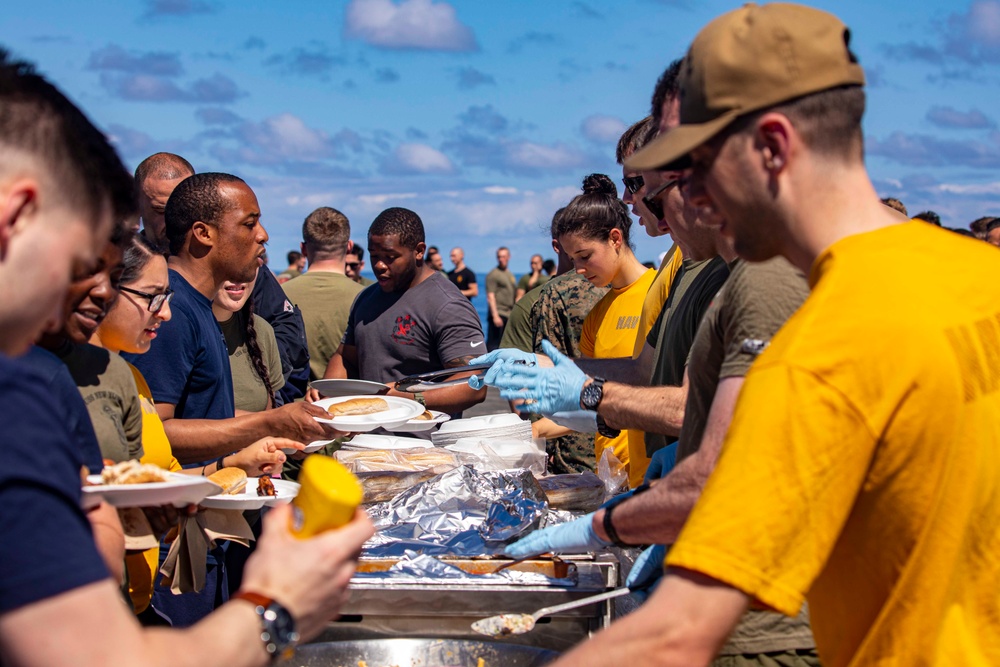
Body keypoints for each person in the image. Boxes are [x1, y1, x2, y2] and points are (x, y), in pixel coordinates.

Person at [558, 5, 1000, 665]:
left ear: (771, 145)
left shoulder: (820, 345)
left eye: (696, 169)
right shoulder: (980, 273)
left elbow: (678, 633)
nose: (688, 200)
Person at [0, 47, 372, 667]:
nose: (89, 289)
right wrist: (278, 604)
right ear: (17, 216)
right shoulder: (17, 397)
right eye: (84, 258)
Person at [93, 234, 298, 617]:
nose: (166, 313)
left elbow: (169, 476)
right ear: (102, 291)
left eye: (167, 297)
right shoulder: (63, 385)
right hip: (105, 609)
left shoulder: (130, 378)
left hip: (145, 594)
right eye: (153, 297)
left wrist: (234, 464)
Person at [123, 173, 339, 465]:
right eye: (249, 224)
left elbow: (206, 415)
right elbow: (154, 432)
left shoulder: (200, 305)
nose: (263, 235)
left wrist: (283, 421)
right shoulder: (172, 311)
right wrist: (269, 423)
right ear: (203, 233)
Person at [324, 207, 486, 415]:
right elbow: (345, 357)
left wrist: (407, 398)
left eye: (391, 256)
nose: (380, 265)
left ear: (419, 251)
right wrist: (327, 395)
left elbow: (474, 385)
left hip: (425, 443)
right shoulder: (365, 298)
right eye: (374, 256)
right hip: (365, 439)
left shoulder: (448, 305)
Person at [559, 174, 655, 476]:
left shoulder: (659, 293)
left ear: (615, 239)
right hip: (611, 475)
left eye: (585, 256)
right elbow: (594, 398)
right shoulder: (596, 315)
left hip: (653, 472)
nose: (579, 269)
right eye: (572, 259)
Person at [282, 207, 364, 381]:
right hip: (349, 403)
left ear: (303, 249)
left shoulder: (278, 296)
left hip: (292, 405)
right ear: (349, 247)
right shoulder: (366, 298)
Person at [135, 152, 194, 249]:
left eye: (183, 209)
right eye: (161, 211)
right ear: (137, 206)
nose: (175, 220)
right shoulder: (117, 261)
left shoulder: (219, 260)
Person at [485, 246, 516, 350]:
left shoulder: (509, 274)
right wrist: (495, 316)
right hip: (498, 314)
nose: (501, 259)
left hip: (508, 314)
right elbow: (490, 296)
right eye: (499, 257)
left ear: (508, 257)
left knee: (505, 345)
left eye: (503, 256)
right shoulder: (493, 274)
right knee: (493, 346)